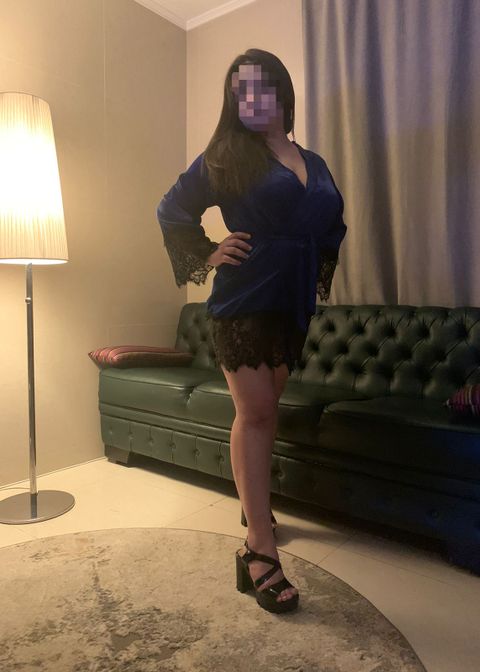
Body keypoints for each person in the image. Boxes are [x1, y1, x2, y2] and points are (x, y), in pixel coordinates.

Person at [157, 48, 347, 614]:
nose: (251, 100)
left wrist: (305, 262)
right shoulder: (225, 156)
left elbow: (331, 224)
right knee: (257, 413)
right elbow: (172, 209)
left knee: (267, 411)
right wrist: (209, 252)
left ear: (283, 91)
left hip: (290, 305)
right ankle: (258, 548)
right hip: (243, 299)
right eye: (239, 92)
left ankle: (254, 507)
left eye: (260, 87)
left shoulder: (313, 160)